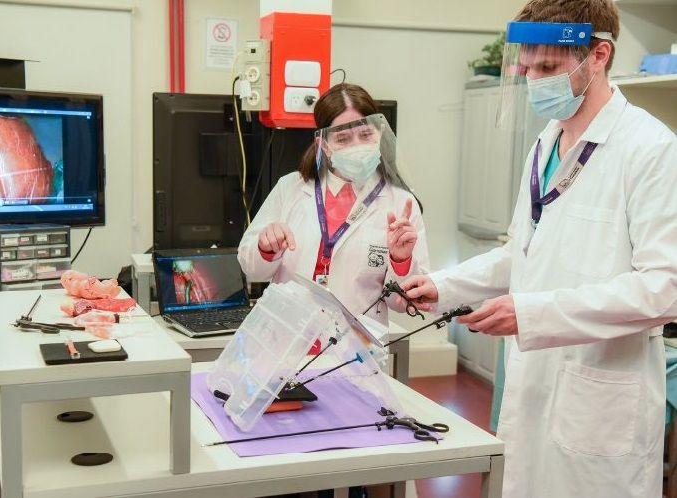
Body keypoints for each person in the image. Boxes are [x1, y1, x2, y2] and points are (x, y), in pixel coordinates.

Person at [398, 1, 676, 497]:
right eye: (527, 69)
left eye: (547, 67)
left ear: (598, 56)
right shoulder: (545, 145)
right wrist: (441, 286)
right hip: (533, 391)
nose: (534, 82)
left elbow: (664, 289)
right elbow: (521, 254)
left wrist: (532, 314)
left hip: (600, 401)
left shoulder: (651, 149)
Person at [238, 83, 430, 328]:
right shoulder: (291, 188)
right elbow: (251, 269)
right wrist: (265, 248)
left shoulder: (401, 203)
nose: (357, 146)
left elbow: (405, 302)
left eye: (365, 135)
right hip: (287, 335)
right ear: (324, 146)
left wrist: (401, 261)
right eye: (343, 138)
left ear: (380, 133)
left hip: (353, 343)